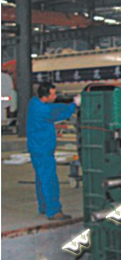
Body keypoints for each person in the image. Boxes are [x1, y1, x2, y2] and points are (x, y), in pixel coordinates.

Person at [27, 83, 81, 220]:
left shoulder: (34, 103)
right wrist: (74, 104)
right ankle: (54, 211)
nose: (55, 96)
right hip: (43, 150)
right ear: (45, 97)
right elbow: (58, 112)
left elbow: (54, 107)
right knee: (49, 180)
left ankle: (44, 206)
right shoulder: (43, 110)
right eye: (53, 94)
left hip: (36, 148)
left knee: (41, 179)